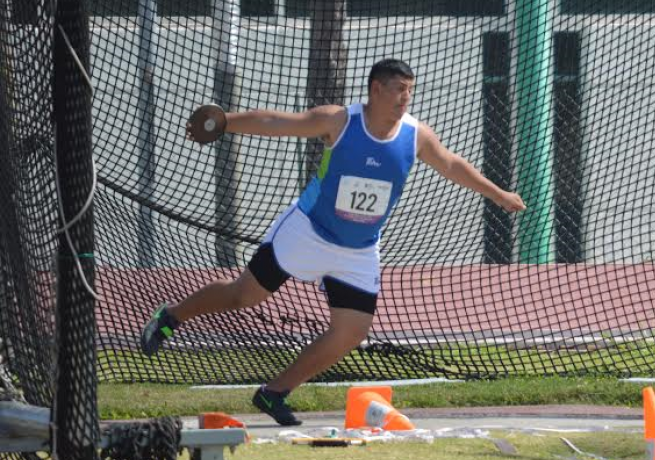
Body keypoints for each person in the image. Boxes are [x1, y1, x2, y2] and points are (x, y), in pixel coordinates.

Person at [139, 59, 526, 425]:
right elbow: (278, 122)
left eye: (410, 91)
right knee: (244, 296)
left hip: (358, 251)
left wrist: (496, 193)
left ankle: (274, 392)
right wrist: (226, 121)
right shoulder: (339, 121)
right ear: (376, 89)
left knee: (352, 331)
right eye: (398, 90)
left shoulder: (416, 135)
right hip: (307, 232)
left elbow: (451, 163)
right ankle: (172, 315)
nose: (406, 98)